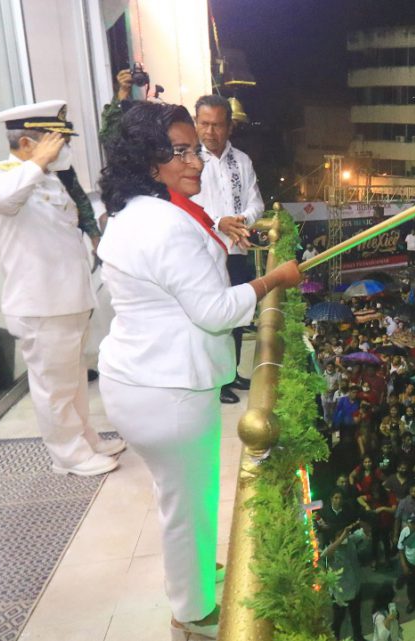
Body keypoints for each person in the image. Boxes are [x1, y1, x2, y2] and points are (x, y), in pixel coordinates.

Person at [96, 102, 301, 637]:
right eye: (179, 151)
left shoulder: (138, 211)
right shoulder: (164, 224)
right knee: (187, 506)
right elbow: (213, 311)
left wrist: (219, 229)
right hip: (169, 389)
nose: (197, 160)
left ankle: (194, 578)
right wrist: (272, 279)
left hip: (139, 378)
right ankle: (195, 611)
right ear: (147, 160)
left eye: (194, 149)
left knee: (180, 499)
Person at [0, 100, 124, 476]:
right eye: (57, 141)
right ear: (28, 143)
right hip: (40, 304)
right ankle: (68, 455)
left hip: (69, 299)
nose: (65, 149)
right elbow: (2, 199)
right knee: (53, 388)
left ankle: (84, 439)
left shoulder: (48, 180)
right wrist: (36, 162)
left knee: (73, 381)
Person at [191, 94, 265, 404]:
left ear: (229, 126)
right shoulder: (187, 160)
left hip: (236, 250)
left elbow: (257, 202)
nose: (210, 132)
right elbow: (187, 204)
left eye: (218, 125)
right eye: (204, 124)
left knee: (235, 316)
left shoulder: (242, 161)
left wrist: (241, 220)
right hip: (203, 252)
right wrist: (220, 221)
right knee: (211, 318)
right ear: (196, 124)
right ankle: (216, 382)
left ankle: (231, 372)